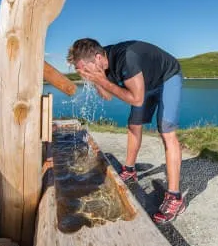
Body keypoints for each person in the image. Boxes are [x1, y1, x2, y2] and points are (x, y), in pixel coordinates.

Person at [67, 38, 185, 224]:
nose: (85, 73)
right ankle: (129, 170)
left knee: (166, 131)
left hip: (167, 77)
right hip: (145, 83)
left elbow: (136, 100)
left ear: (98, 58)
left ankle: (175, 197)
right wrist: (97, 79)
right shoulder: (100, 66)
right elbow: (107, 96)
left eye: (85, 68)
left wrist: (99, 78)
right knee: (133, 125)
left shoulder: (127, 58)